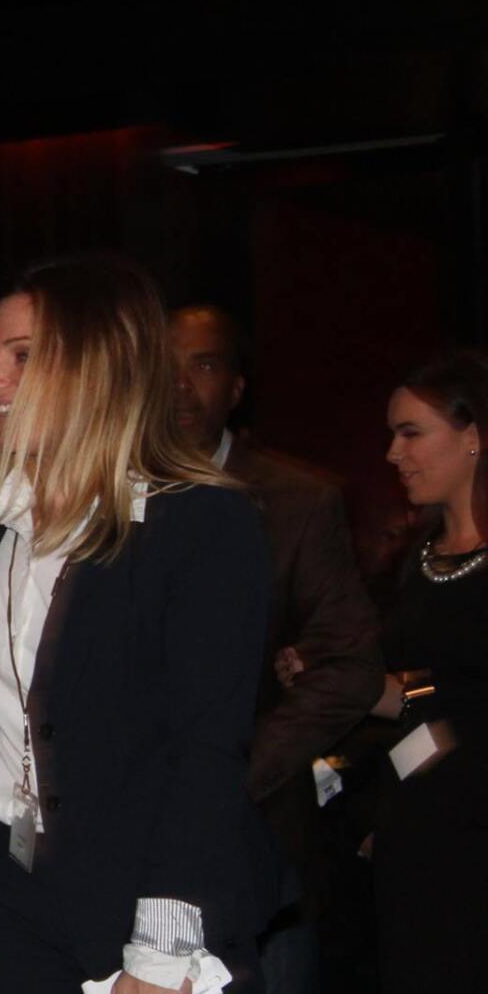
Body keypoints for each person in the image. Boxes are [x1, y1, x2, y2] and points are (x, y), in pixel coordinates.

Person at [0, 257, 277, 993]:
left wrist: (162, 948)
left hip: (134, 903)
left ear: (103, 368)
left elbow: (205, 752)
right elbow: (20, 680)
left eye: (24, 357)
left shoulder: (200, 523)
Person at [168, 305, 381, 993]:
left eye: (203, 365)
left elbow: (348, 667)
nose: (180, 385)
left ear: (236, 387)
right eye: (164, 366)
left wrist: (235, 770)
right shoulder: (107, 495)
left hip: (260, 837)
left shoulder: (297, 502)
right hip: (131, 838)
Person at [367, 350, 488, 994]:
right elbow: (429, 689)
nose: (394, 453)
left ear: (473, 437)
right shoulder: (418, 559)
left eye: (411, 432)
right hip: (418, 829)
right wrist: (352, 682)